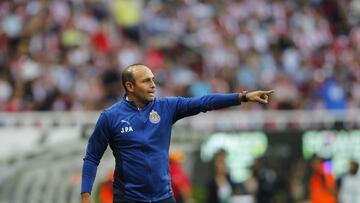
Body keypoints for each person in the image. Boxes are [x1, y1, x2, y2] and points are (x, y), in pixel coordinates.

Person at [81, 64, 274, 203]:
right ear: (130, 87)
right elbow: (91, 157)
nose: (153, 85)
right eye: (146, 81)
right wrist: (85, 196)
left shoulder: (166, 107)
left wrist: (242, 97)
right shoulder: (110, 117)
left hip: (163, 197)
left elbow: (204, 102)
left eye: (153, 80)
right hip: (128, 198)